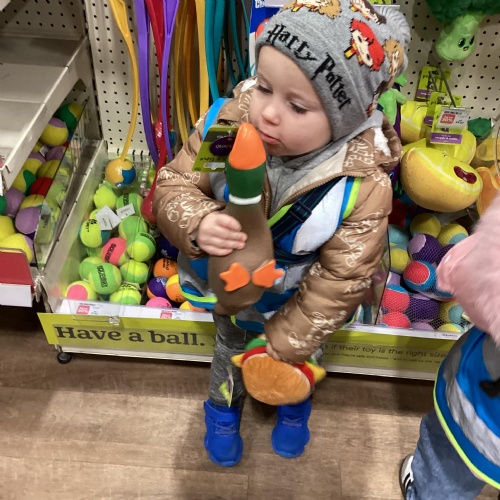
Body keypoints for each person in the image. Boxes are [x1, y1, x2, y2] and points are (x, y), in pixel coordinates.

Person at [153, 0, 410, 467]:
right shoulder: (229, 124)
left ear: (347, 116)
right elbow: (174, 184)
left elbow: (343, 278)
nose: (268, 113)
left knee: (296, 362)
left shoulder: (363, 183)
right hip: (231, 288)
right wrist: (197, 220)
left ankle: (294, 409)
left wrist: (288, 340)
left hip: (299, 304)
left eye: (297, 106)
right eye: (265, 87)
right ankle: (222, 413)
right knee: (227, 352)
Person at [399, 193, 500, 499]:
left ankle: (422, 493)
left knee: (447, 468)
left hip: (481, 414)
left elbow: (476, 284)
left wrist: (461, 260)